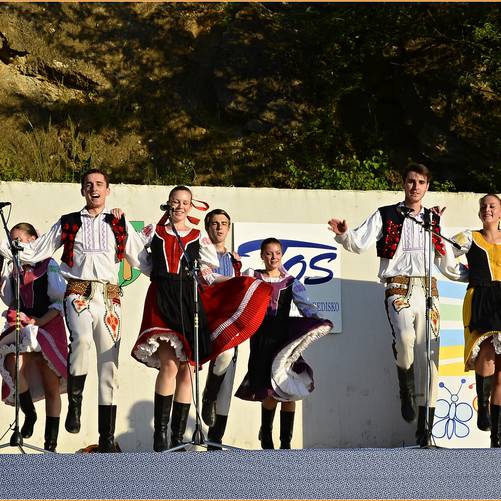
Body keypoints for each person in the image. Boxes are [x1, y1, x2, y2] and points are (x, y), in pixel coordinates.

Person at [0, 169, 148, 452]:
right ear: (82, 191)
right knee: (80, 341)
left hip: (109, 296)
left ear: (108, 190)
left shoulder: (118, 222)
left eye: (99, 184)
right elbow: (36, 251)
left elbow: (142, 258)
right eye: (88, 185)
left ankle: (107, 437)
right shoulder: (68, 222)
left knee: (109, 364)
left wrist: (171, 275)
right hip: (78, 292)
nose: (94, 189)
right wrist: (6, 246)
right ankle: (75, 404)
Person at [328, 162, 465, 446]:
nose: (416, 187)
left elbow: (446, 260)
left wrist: (474, 275)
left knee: (430, 356)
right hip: (398, 286)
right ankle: (405, 384)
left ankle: (425, 429)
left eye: (421, 182)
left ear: (427, 187)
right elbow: (359, 242)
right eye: (411, 181)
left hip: (428, 289)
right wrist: (344, 234)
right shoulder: (386, 214)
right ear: (403, 183)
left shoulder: (433, 219)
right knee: (404, 338)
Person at [132, 187, 271, 452]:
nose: (180, 206)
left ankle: (177, 438)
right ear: (168, 203)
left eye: (185, 202)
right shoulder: (155, 231)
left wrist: (235, 282)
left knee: (188, 369)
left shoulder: (198, 237)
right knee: (169, 365)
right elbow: (137, 257)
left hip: (188, 299)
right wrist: (157, 274)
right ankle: (160, 436)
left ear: (190, 206)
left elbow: (206, 274)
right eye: (176, 201)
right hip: (162, 297)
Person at [235, 238, 332, 449]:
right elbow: (237, 292)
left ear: (281, 255)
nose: (273, 257)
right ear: (262, 255)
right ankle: (266, 436)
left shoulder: (290, 282)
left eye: (277, 253)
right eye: (269, 253)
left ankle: (285, 443)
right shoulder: (253, 277)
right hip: (262, 338)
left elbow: (306, 306)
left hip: (285, 340)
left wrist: (319, 321)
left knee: (290, 390)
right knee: (269, 390)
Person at [0, 223, 68, 451]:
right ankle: (29, 414)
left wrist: (38, 322)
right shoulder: (15, 268)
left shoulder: (49, 265)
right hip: (24, 326)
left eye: (19, 240)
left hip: (48, 325)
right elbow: (8, 298)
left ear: (33, 240)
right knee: (12, 363)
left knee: (51, 385)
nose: (15, 245)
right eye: (13, 242)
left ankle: (51, 445)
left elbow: (58, 302)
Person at [452, 194, 501, 447]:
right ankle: (483, 407)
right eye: (483, 206)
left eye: (493, 206)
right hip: (481, 296)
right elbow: (444, 255)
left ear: (500, 212)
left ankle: (497, 438)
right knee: (487, 348)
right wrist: (465, 275)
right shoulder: (469, 237)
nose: (487, 209)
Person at [200, 209, 242, 450]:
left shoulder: (235, 260)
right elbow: (207, 280)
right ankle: (207, 396)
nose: (219, 227)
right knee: (223, 356)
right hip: (209, 318)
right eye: (215, 223)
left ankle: (215, 442)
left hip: (231, 319)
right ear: (207, 227)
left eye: (224, 223)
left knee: (227, 382)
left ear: (228, 228)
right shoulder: (200, 254)